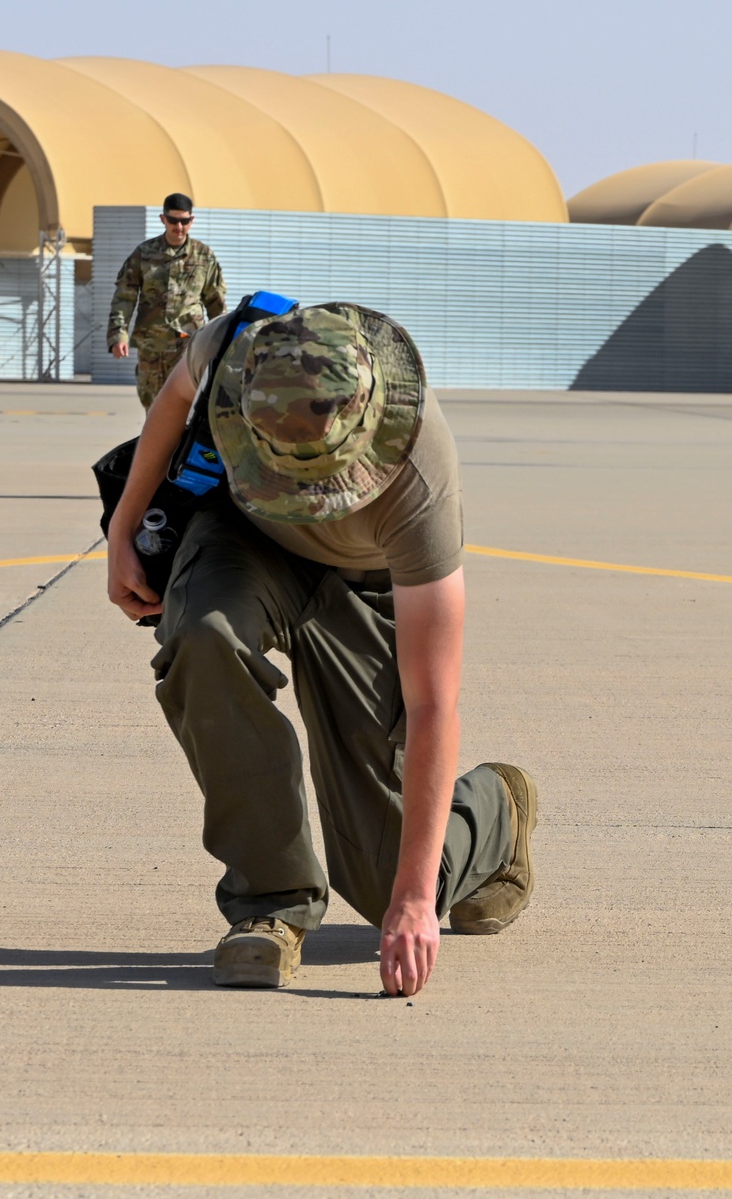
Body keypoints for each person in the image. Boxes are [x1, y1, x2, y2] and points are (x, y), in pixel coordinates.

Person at [106, 300, 537, 996]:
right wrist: (124, 526)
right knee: (202, 639)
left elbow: (433, 704)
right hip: (245, 539)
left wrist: (415, 902)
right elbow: (171, 398)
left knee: (388, 878)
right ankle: (269, 907)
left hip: (363, 584)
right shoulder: (234, 349)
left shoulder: (420, 472)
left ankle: (496, 810)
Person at [107, 193, 227, 411]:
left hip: (190, 346)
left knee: (189, 408)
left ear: (192, 220)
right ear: (163, 219)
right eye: (173, 221)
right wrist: (118, 335)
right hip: (152, 347)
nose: (179, 227)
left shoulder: (204, 257)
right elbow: (124, 297)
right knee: (153, 407)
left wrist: (223, 342)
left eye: (184, 221)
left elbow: (215, 303)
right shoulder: (144, 254)